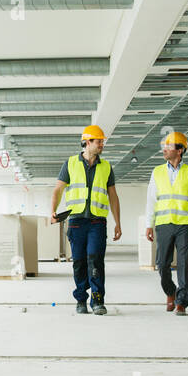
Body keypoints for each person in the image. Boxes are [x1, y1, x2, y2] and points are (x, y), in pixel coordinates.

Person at [48, 125, 121, 315]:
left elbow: (113, 196)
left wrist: (118, 222)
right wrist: (53, 211)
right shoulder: (70, 163)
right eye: (99, 141)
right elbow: (58, 190)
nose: (102, 145)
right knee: (79, 262)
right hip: (77, 222)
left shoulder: (106, 167)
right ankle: (81, 299)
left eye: (102, 142)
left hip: (97, 222)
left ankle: (97, 300)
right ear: (87, 142)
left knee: (96, 260)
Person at [144, 131, 188, 316]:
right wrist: (148, 224)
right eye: (165, 146)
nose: (165, 150)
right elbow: (151, 200)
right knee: (162, 264)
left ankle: (182, 302)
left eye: (169, 147)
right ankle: (171, 292)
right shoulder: (157, 172)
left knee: (184, 265)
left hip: (184, 225)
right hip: (163, 224)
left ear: (180, 150)